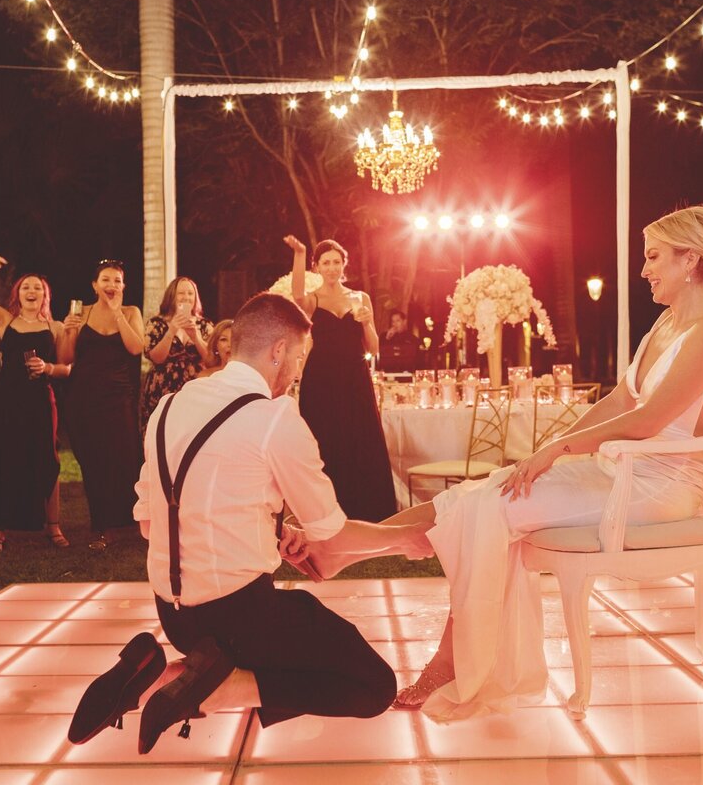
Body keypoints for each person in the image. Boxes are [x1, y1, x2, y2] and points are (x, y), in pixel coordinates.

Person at [310, 205, 703, 721]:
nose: (644, 269)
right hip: (620, 470)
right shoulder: (667, 324)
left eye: (653, 256)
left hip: (658, 486)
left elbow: (648, 419)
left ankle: (388, 589)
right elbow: (619, 401)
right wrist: (551, 445)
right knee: (487, 490)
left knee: (491, 504)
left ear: (690, 259)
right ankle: (352, 552)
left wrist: (560, 451)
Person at [67, 292, 433, 754]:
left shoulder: (168, 407)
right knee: (372, 685)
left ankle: (152, 674)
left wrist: (270, 534)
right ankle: (228, 687)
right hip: (240, 617)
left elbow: (150, 523)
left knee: (292, 641)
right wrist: (406, 538)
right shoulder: (274, 417)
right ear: (278, 350)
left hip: (173, 616)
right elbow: (332, 534)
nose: (299, 371)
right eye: (300, 357)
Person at [285, 235, 396, 522]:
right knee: (324, 440)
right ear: (317, 267)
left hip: (354, 377)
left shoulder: (360, 298)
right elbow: (297, 295)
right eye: (326, 262)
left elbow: (373, 348)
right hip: (320, 379)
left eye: (336, 262)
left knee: (360, 438)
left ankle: (366, 510)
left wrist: (367, 322)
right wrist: (299, 252)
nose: (332, 267)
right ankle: (323, 511)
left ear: (343, 265)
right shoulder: (313, 300)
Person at [0, 256, 70, 554]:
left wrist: (48, 368)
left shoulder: (55, 326)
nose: (31, 291)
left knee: (47, 461)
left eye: (37, 288)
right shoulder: (6, 321)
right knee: (2, 462)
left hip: (39, 401)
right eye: (26, 287)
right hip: (6, 400)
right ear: (18, 294)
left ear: (45, 295)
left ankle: (53, 526)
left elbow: (66, 366)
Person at [57, 260, 145, 551]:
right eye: (106, 280)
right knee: (92, 463)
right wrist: (69, 332)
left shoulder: (131, 312)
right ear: (95, 285)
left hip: (119, 397)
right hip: (84, 398)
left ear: (123, 286)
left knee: (124, 460)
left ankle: (130, 523)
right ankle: (102, 527)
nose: (112, 285)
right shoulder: (79, 313)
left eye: (117, 281)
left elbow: (136, 348)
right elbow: (66, 358)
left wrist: (117, 313)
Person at [141, 277, 213, 430]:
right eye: (181, 293)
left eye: (190, 293)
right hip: (163, 388)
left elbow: (211, 360)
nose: (186, 297)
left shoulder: (204, 325)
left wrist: (196, 337)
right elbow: (157, 359)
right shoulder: (156, 323)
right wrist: (172, 330)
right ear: (171, 296)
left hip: (195, 388)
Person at [379, 309, 422, 373]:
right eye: (393, 321)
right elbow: (379, 352)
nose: (395, 324)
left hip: (407, 371)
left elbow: (417, 357)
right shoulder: (384, 336)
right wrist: (387, 338)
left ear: (404, 321)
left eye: (398, 321)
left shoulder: (411, 338)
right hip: (389, 371)